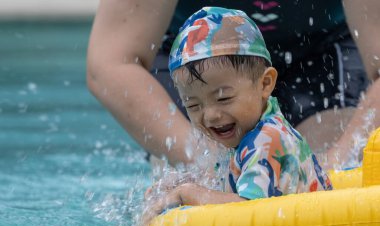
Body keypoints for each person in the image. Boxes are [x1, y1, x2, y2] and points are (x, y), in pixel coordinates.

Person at [87, 0, 380, 170]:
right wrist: (205, 159)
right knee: (191, 180)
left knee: (322, 168)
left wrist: (342, 156)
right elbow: (111, 63)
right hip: (196, 62)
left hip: (321, 52)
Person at [142, 7, 333, 223]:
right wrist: (185, 182)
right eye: (193, 106)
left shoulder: (268, 140)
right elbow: (228, 182)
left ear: (265, 84)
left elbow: (250, 214)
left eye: (224, 98)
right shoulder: (246, 136)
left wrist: (188, 194)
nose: (210, 115)